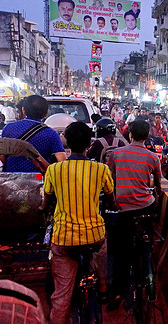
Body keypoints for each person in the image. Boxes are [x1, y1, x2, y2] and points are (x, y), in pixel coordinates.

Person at [41, 122, 116, 324]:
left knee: (61, 296)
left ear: (67, 141)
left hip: (64, 238)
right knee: (101, 247)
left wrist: (42, 208)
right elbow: (111, 199)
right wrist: (116, 205)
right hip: (94, 235)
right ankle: (101, 286)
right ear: (89, 144)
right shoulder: (100, 169)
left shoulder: (54, 170)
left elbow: (46, 201)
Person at [107, 119, 161, 304]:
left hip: (123, 208)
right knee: (146, 227)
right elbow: (158, 187)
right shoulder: (153, 157)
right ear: (147, 136)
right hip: (147, 205)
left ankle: (117, 291)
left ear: (130, 134)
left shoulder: (116, 154)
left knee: (120, 251)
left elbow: (110, 180)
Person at [0, 95, 66, 172]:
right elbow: (62, 162)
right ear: (46, 113)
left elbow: (2, 157)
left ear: (23, 110)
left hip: (11, 179)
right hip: (40, 180)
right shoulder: (51, 134)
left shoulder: (8, 128)